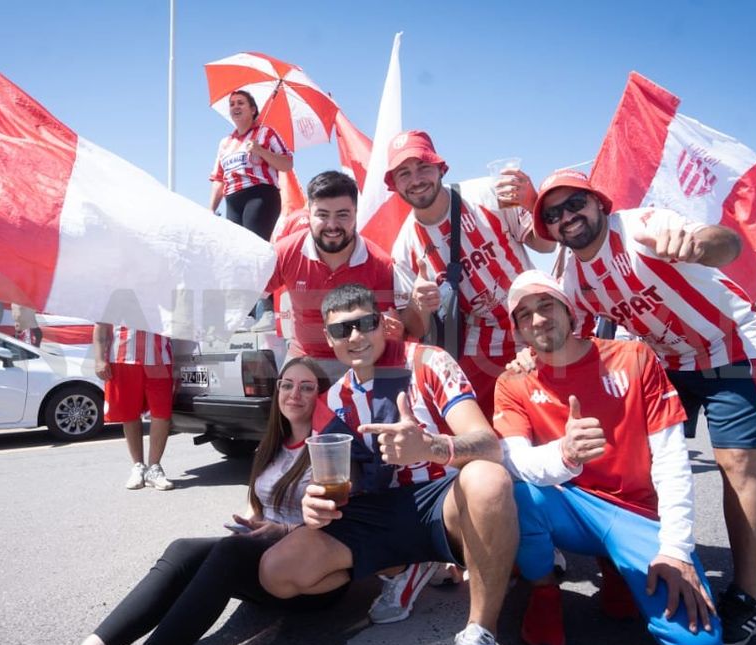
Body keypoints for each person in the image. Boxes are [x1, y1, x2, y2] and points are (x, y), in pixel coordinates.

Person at [528, 169, 756, 645]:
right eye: (553, 214)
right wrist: (528, 355)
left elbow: (726, 245)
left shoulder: (640, 226)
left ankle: (747, 596)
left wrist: (697, 241)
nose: (567, 217)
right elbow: (563, 333)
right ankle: (648, 556)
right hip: (665, 360)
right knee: (644, 461)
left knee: (735, 465)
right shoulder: (572, 275)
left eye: (575, 203)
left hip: (730, 345)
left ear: (599, 203)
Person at [258, 283, 519, 645]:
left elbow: (488, 445)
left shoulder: (429, 361)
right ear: (329, 339)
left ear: (383, 324)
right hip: (383, 513)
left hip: (444, 503)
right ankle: (406, 568)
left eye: (366, 323)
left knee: (488, 479)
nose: (357, 337)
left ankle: (480, 636)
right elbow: (343, 480)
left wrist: (429, 447)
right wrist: (315, 502)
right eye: (343, 330)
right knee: (277, 572)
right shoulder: (331, 402)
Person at [46, 358, 348, 645]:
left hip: (308, 576)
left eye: (306, 387)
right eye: (286, 385)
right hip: (261, 555)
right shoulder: (270, 445)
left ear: (321, 395)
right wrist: (245, 528)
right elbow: (254, 507)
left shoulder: (329, 451)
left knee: (230, 553)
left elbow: (340, 527)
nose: (294, 394)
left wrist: (280, 531)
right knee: (183, 550)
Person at [495, 270, 722, 645]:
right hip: (573, 508)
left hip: (636, 514)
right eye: (524, 314)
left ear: (569, 310)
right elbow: (516, 458)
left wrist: (676, 549)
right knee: (512, 488)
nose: (537, 320)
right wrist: (564, 454)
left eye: (546, 305)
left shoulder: (634, 358)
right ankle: (544, 592)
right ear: (518, 331)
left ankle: (618, 566)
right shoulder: (513, 382)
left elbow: (672, 458)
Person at [385, 130, 555, 417]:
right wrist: (418, 304)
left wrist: (532, 202)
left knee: (557, 410)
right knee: (494, 423)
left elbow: (546, 245)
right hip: (482, 345)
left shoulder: (488, 194)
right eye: (404, 173)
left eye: (423, 167)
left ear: (440, 168)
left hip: (537, 318)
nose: (415, 180)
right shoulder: (404, 248)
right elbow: (413, 327)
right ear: (393, 184)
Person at [263, 170, 402, 382]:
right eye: (323, 215)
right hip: (304, 358)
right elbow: (247, 294)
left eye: (342, 215)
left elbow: (389, 329)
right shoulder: (285, 252)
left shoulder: (380, 264)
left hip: (359, 360)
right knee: (287, 400)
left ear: (356, 213)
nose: (332, 225)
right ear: (308, 213)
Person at [93, 324, 175, 491]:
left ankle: (154, 468)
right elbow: (101, 326)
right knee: (129, 413)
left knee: (162, 412)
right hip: (123, 358)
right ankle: (138, 466)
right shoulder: (115, 297)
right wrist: (99, 359)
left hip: (160, 357)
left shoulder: (164, 296)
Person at [208, 89, 292, 244]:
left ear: (253, 110)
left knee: (252, 245)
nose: (235, 107)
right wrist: (211, 209)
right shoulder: (225, 143)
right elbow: (219, 178)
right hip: (232, 200)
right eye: (232, 104)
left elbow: (287, 163)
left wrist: (260, 150)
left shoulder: (266, 133)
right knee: (237, 249)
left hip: (260, 195)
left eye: (241, 103)